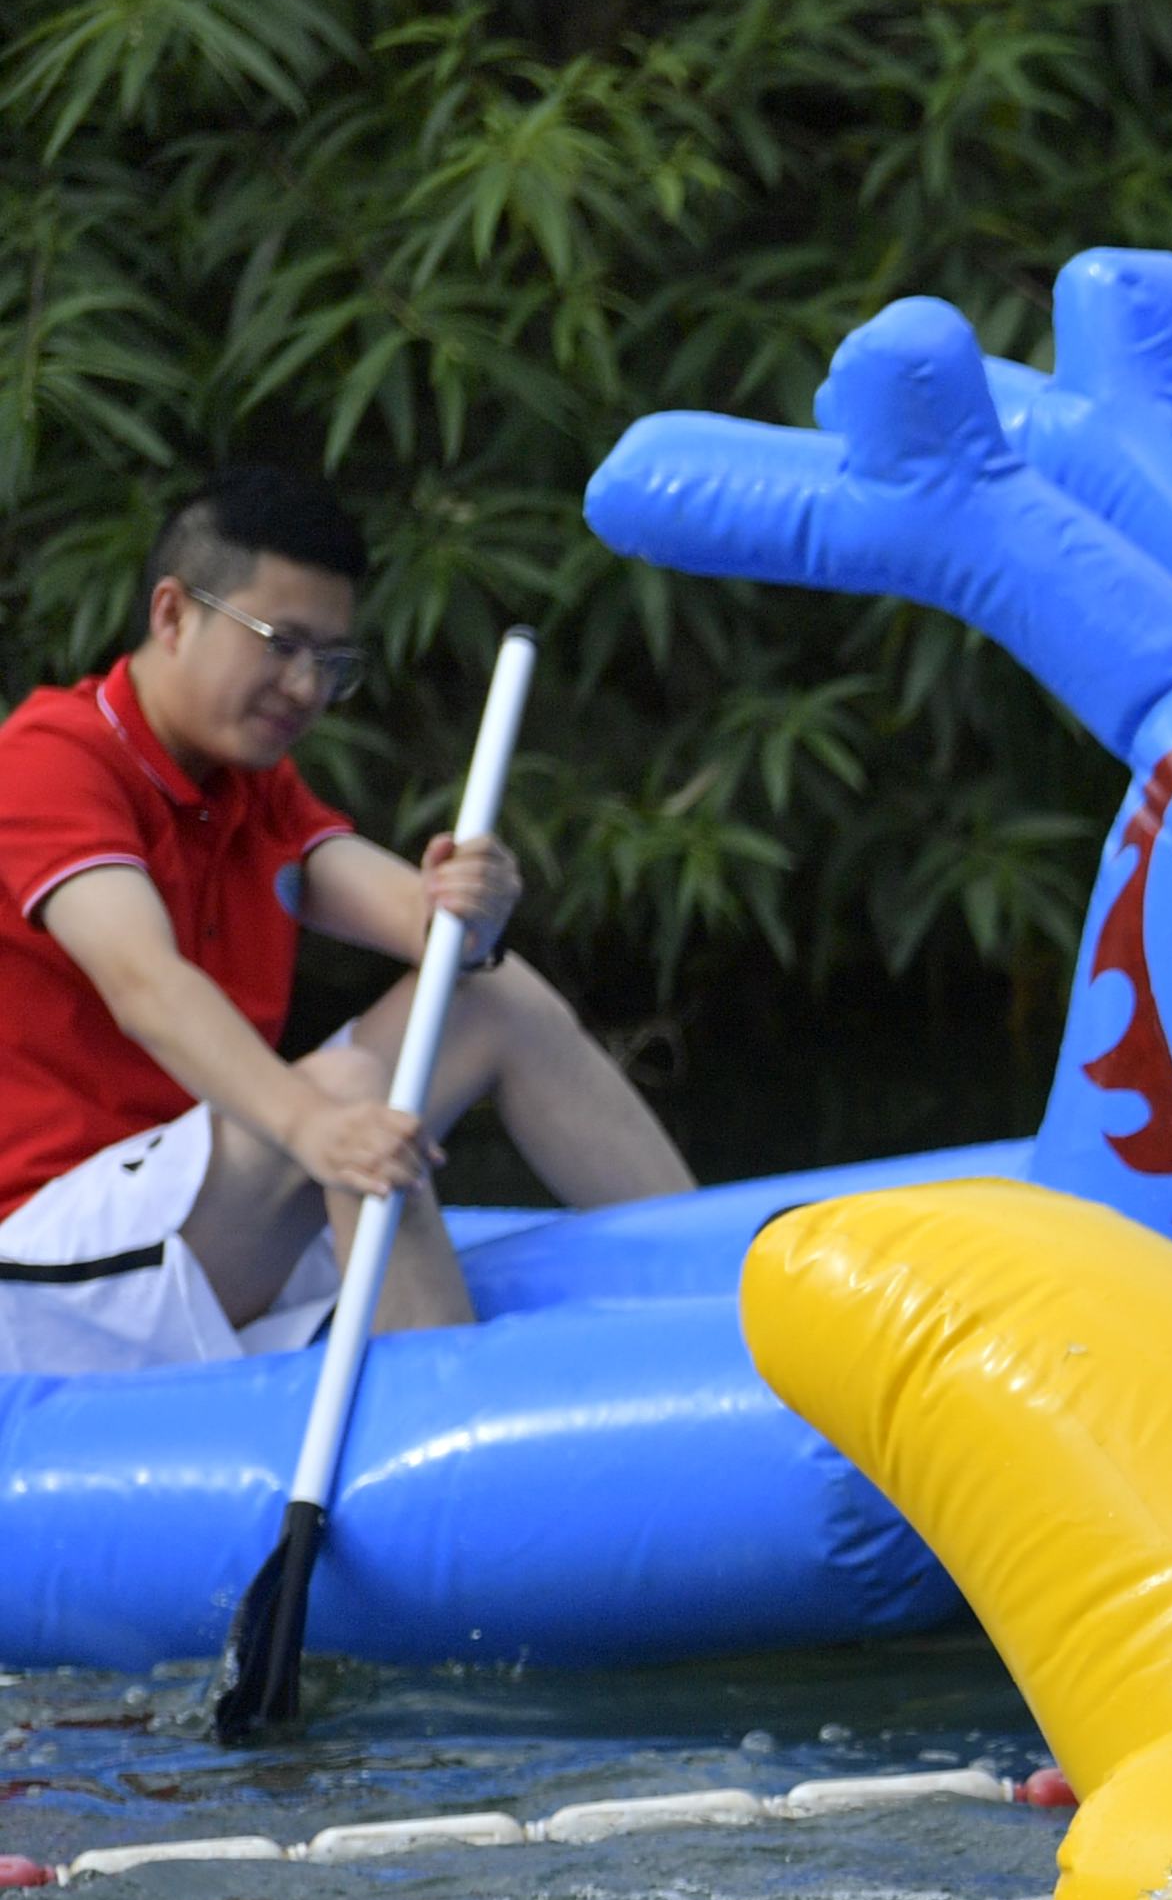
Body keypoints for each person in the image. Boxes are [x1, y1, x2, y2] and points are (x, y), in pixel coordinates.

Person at [0, 465, 693, 1373]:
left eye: (330, 660)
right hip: (48, 1267)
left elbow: (419, 918)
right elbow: (146, 985)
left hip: (189, 1215)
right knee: (343, 1089)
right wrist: (309, 1121)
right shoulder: (51, 760)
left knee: (493, 994)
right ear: (172, 614)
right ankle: (448, 1453)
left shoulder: (248, 786)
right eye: (279, 643)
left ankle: (720, 1288)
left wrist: (466, 905)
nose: (304, 687)